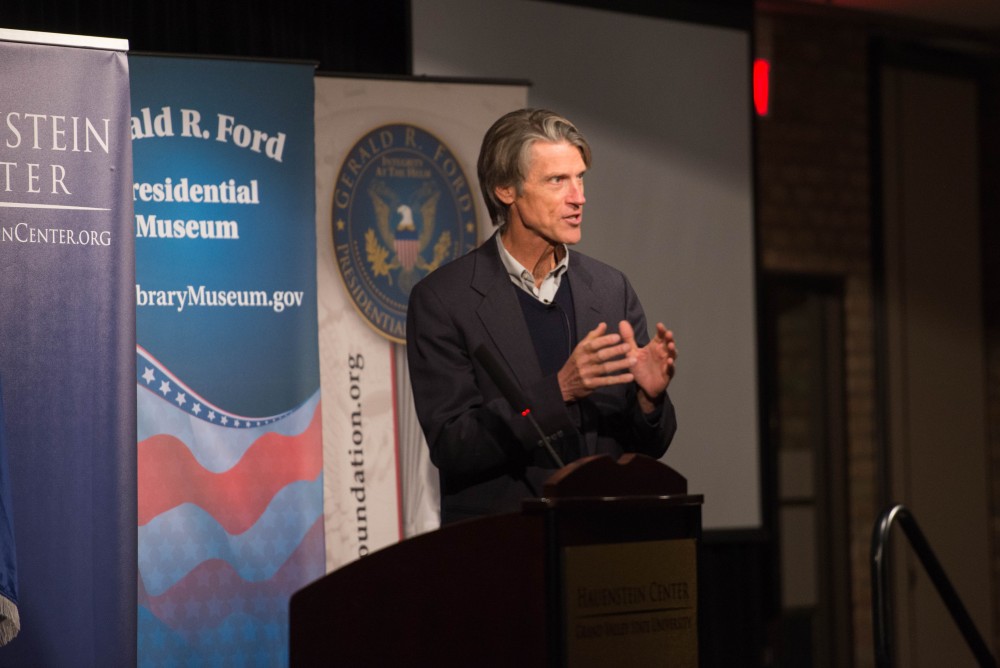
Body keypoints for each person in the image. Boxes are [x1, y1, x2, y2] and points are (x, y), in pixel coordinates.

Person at [406, 108, 677, 524]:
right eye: (557, 181)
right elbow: (452, 445)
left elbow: (648, 445)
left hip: (603, 548)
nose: (579, 197)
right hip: (504, 548)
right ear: (505, 189)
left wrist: (649, 398)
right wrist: (559, 390)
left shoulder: (610, 289)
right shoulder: (444, 300)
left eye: (580, 178)